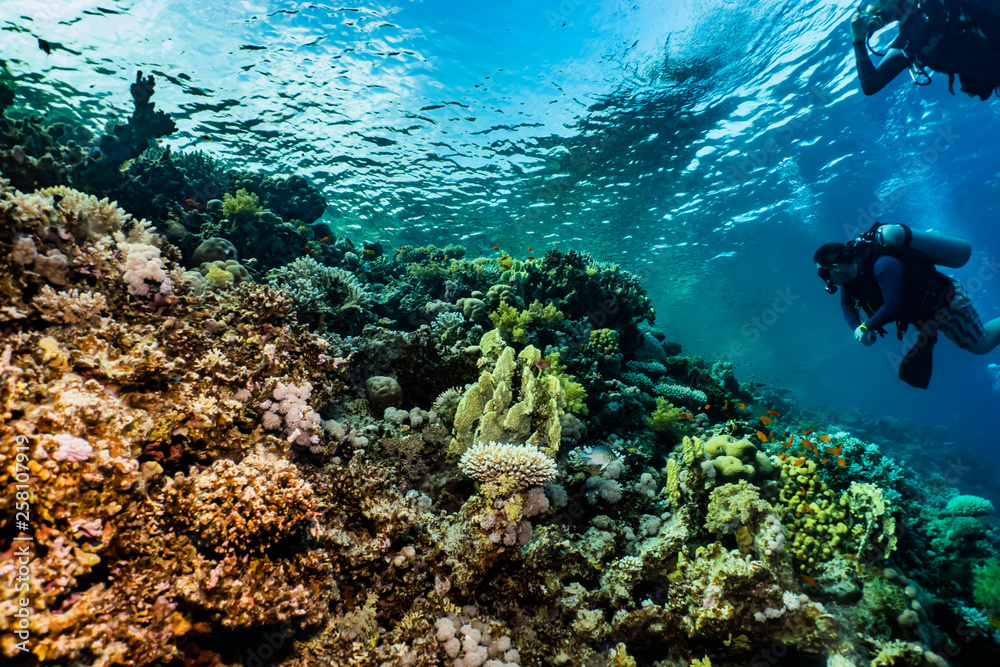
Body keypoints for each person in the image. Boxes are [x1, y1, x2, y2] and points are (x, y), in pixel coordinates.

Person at [814, 231, 1000, 388]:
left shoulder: (883, 265)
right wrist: (858, 327)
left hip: (945, 301)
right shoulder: (849, 279)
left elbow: (893, 305)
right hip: (924, 312)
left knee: (981, 344)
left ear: (836, 268)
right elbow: (846, 304)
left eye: (823, 273)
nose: (825, 280)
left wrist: (866, 327)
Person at [850, 0, 1000, 99]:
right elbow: (872, 84)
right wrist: (858, 41)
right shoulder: (911, 39)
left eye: (876, 1)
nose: (873, 9)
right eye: (869, 6)